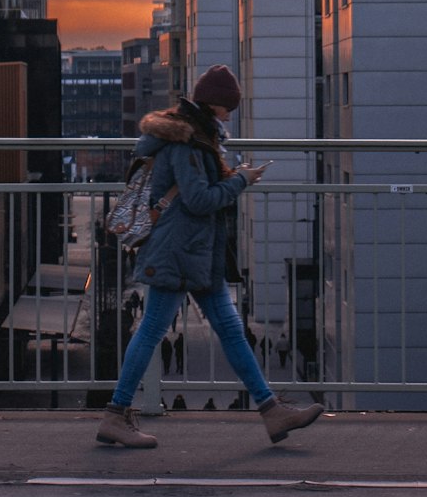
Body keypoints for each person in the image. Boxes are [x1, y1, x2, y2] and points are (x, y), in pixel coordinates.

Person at [95, 64, 325, 450]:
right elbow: (200, 200)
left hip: (194, 252)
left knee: (230, 330)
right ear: (214, 105)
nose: (229, 116)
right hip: (180, 251)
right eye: (227, 108)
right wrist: (240, 180)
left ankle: (272, 411)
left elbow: (196, 194)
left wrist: (233, 177)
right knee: (154, 329)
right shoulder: (188, 144)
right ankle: (115, 415)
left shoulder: (194, 138)